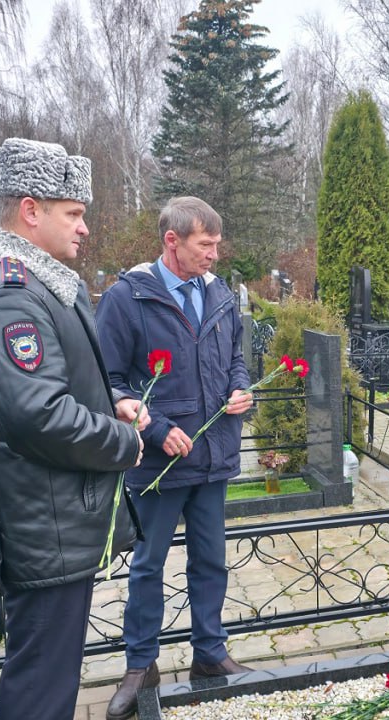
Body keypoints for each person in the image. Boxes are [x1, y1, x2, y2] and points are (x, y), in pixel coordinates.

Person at [0, 138, 148, 720]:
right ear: (31, 210)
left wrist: (112, 402)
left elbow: (54, 383)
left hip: (53, 522)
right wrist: (124, 443)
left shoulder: (38, 285)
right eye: (75, 212)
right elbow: (38, 415)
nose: (85, 227)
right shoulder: (10, 298)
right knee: (41, 691)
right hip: (44, 529)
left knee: (52, 678)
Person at [95, 196, 254, 720]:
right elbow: (110, 383)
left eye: (216, 245)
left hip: (213, 457)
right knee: (147, 568)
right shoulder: (127, 298)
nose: (214, 254)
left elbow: (234, 358)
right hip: (157, 463)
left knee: (210, 560)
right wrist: (157, 428)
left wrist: (240, 389)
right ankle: (141, 665)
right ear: (173, 241)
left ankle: (210, 652)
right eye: (204, 245)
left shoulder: (220, 294)